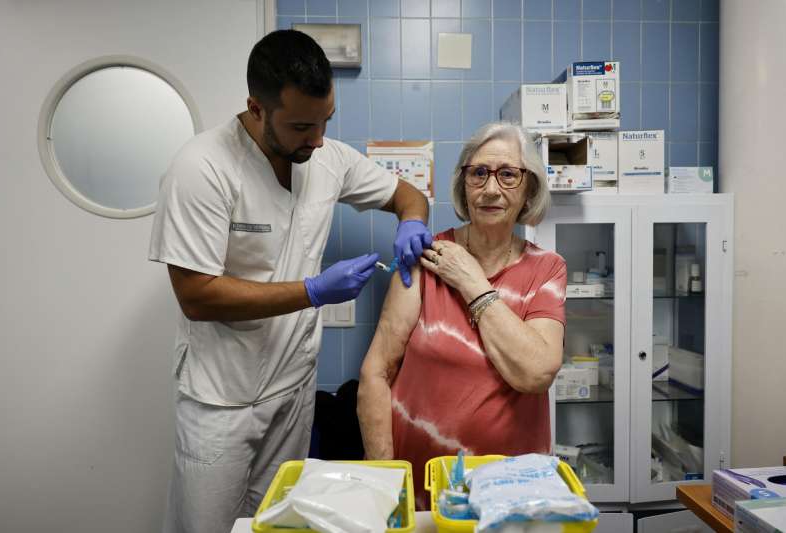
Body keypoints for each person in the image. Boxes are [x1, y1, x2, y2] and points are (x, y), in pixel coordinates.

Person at [148, 29, 431, 533]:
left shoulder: (328, 158)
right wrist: (313, 291)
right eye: (302, 125)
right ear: (256, 109)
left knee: (279, 524)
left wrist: (411, 221)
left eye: (326, 121)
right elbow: (196, 295)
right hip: (222, 399)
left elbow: (409, 195)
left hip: (293, 392)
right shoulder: (203, 168)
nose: (318, 139)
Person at [357, 122, 567, 509]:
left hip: (511, 488)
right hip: (420, 483)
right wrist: (384, 478)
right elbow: (376, 372)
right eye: (479, 173)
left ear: (529, 190)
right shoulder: (427, 256)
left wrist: (472, 282)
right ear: (463, 183)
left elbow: (536, 373)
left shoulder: (547, 269)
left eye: (507, 175)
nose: (490, 189)